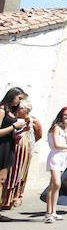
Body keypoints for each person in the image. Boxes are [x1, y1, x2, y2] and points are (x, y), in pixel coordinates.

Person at [1, 98, 41, 210]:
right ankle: (5, 200)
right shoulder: (14, 119)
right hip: (13, 149)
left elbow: (39, 134)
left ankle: (14, 198)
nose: (18, 110)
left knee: (19, 174)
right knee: (10, 174)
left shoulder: (33, 120)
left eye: (20, 108)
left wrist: (27, 144)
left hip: (23, 151)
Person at [0, 87, 29, 219]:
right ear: (12, 96)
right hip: (2, 146)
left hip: (9, 146)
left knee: (2, 180)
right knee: (0, 179)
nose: (19, 102)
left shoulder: (11, 111)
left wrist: (22, 127)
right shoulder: (2, 110)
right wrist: (14, 126)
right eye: (19, 98)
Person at [44, 106, 67, 223]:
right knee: (56, 183)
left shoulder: (65, 128)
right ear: (61, 115)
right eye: (66, 115)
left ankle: (53, 211)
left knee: (56, 185)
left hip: (62, 157)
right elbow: (57, 144)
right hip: (55, 156)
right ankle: (48, 212)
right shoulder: (56, 127)